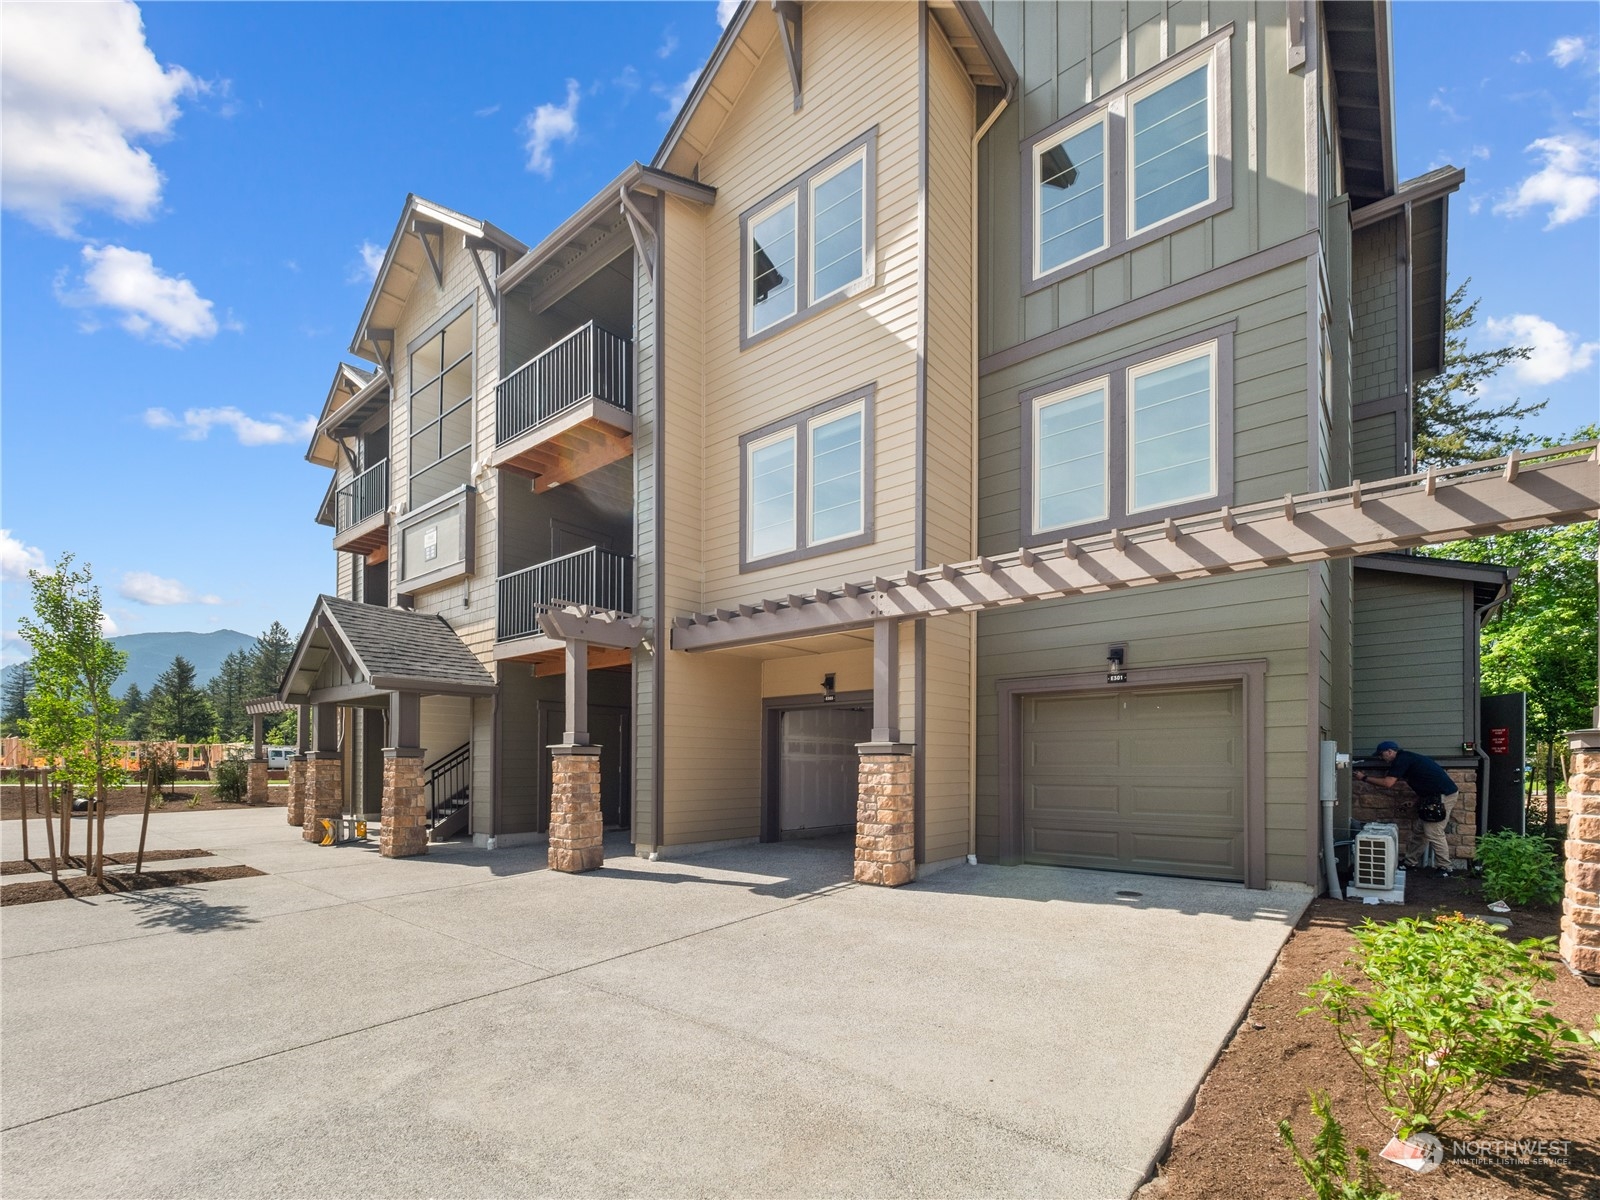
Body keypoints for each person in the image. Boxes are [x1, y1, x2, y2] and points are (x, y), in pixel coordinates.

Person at [1355, 740, 1459, 873]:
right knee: (1419, 831)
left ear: (1390, 751)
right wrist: (1415, 801)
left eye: (1382, 755)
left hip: (1443, 796)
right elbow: (1426, 782)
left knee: (1434, 832)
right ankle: (1410, 862)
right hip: (1431, 797)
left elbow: (1388, 783)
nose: (1381, 758)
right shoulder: (1407, 758)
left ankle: (1445, 867)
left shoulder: (1402, 760)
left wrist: (1364, 778)